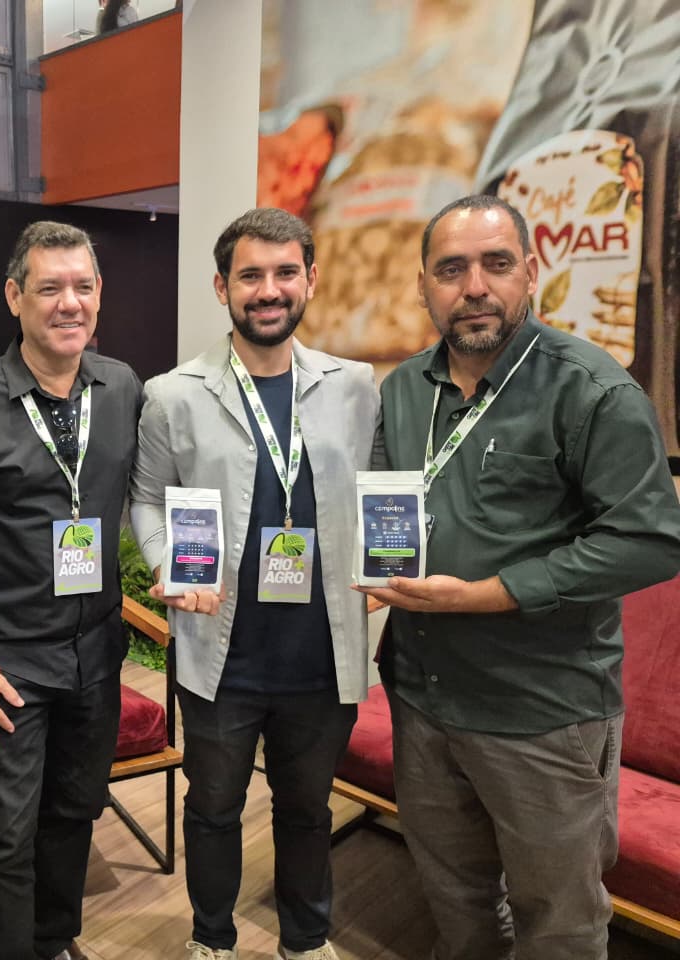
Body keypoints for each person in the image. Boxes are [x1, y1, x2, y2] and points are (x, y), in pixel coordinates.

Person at [361, 194, 680, 960]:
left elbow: (649, 542)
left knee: (559, 923)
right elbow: (385, 506)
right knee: (456, 899)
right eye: (451, 269)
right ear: (423, 285)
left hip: (542, 712)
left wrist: (486, 595)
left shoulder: (592, 390)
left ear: (531, 273)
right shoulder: (404, 389)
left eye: (495, 264)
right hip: (422, 697)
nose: (474, 286)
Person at [130, 208, 378, 960]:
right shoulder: (174, 393)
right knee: (212, 809)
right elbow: (146, 499)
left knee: (307, 811)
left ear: (310, 280)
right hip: (221, 656)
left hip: (321, 658)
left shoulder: (354, 386)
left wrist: (389, 563)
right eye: (250, 276)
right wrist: (169, 565)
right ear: (222, 287)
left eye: (284, 273)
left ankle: (306, 940)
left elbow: (380, 492)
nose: (268, 290)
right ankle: (212, 939)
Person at [0, 221, 143, 960]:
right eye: (50, 287)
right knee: (5, 832)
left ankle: (55, 942)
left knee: (76, 811)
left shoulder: (121, 386)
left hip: (97, 653)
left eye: (82, 286)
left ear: (99, 294)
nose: (68, 303)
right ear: (14, 296)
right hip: (11, 662)